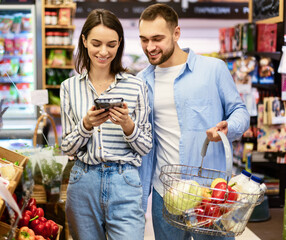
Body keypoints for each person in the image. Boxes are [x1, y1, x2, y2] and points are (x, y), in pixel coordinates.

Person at [137, 3, 250, 240]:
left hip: (211, 191)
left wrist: (228, 127)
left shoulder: (213, 69)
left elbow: (240, 111)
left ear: (176, 33)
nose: (150, 47)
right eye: (144, 39)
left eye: (157, 38)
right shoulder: (142, 81)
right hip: (164, 191)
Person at [60, 9, 152, 240]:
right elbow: (68, 148)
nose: (103, 52)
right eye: (96, 43)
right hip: (83, 182)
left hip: (125, 181)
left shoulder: (135, 86)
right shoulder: (69, 88)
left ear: (119, 44)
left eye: (111, 44)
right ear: (84, 41)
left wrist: (128, 125)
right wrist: (86, 125)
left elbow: (145, 147)